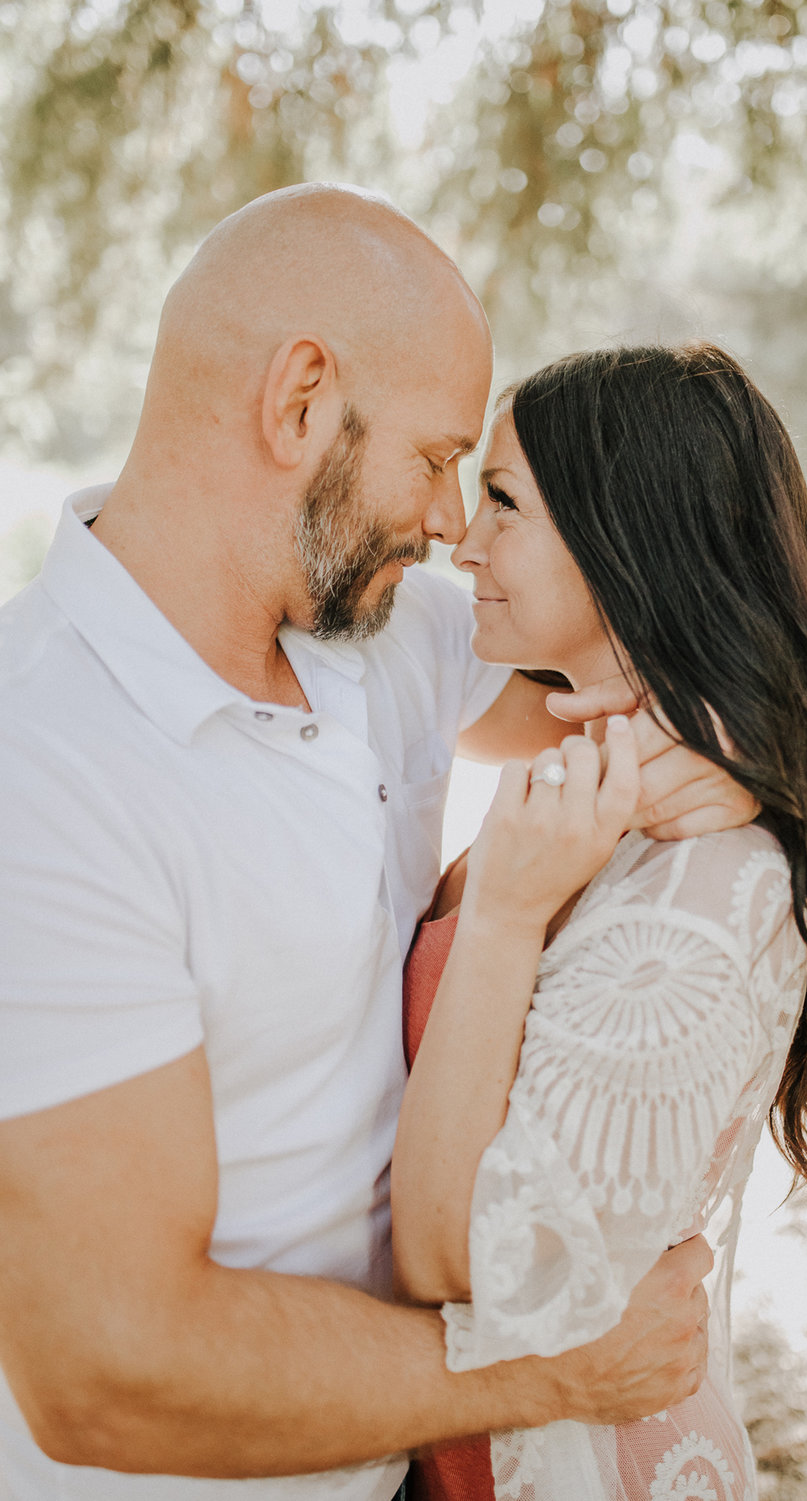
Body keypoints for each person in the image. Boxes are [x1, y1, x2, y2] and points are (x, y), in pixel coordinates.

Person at [0, 187, 758, 1499]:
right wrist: (553, 1366)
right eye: (434, 457)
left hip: (404, 1461)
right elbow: (106, 1365)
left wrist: (727, 751)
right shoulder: (45, 763)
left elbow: (628, 672)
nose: (454, 520)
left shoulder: (378, 633)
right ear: (299, 403)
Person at [391, 344, 807, 1501]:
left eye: (503, 501)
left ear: (628, 538)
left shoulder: (704, 889)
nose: (460, 541)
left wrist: (507, 913)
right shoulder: (615, 781)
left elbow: (456, 1261)